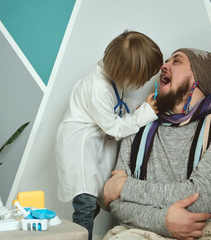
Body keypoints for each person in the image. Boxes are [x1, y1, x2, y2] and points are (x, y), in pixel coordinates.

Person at [103, 48, 211, 240]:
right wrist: (163, 221)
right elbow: (116, 203)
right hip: (140, 230)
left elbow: (198, 199)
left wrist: (124, 187)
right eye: (166, 61)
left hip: (206, 231)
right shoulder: (137, 123)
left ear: (198, 78)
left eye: (176, 61)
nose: (163, 66)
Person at [55, 30, 163, 240]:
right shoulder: (98, 87)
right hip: (79, 145)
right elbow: (113, 128)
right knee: (85, 203)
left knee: (91, 202)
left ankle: (79, 235)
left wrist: (136, 108)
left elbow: (115, 106)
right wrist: (144, 114)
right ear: (128, 74)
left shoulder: (110, 77)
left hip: (90, 142)